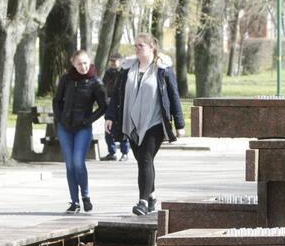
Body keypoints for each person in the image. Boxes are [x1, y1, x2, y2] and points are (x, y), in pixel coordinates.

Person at [105, 33, 185, 216]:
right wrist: (109, 117)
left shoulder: (163, 69)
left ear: (151, 47)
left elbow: (173, 96)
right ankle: (152, 196)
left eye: (141, 45)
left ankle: (142, 201)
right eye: (135, 45)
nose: (137, 48)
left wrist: (179, 124)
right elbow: (117, 95)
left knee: (146, 159)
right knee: (143, 161)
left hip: (154, 122)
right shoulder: (127, 70)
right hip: (131, 122)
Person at [52, 49, 108, 214]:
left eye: (85, 63)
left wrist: (88, 120)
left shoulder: (95, 82)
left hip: (82, 127)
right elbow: (57, 101)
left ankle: (85, 196)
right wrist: (60, 118)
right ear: (73, 64)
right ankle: (74, 201)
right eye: (79, 64)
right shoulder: (66, 79)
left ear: (89, 61)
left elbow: (104, 106)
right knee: (69, 165)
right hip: (65, 127)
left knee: (78, 162)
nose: (82, 67)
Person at [101, 53, 130, 161]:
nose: (113, 63)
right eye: (111, 61)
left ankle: (125, 153)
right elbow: (103, 87)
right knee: (108, 130)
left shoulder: (124, 73)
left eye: (115, 60)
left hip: (122, 104)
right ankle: (112, 152)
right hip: (109, 104)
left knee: (123, 129)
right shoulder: (108, 73)